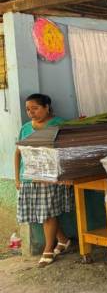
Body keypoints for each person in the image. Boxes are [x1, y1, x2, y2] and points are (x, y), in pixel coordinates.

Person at [14, 94, 74, 267]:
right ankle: (63, 240)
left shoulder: (59, 125)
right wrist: (17, 178)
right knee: (42, 213)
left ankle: (48, 249)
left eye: (35, 108)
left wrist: (68, 175)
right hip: (29, 178)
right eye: (28, 109)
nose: (31, 112)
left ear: (47, 107)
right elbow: (18, 153)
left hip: (50, 178)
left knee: (47, 213)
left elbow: (67, 150)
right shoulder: (25, 128)